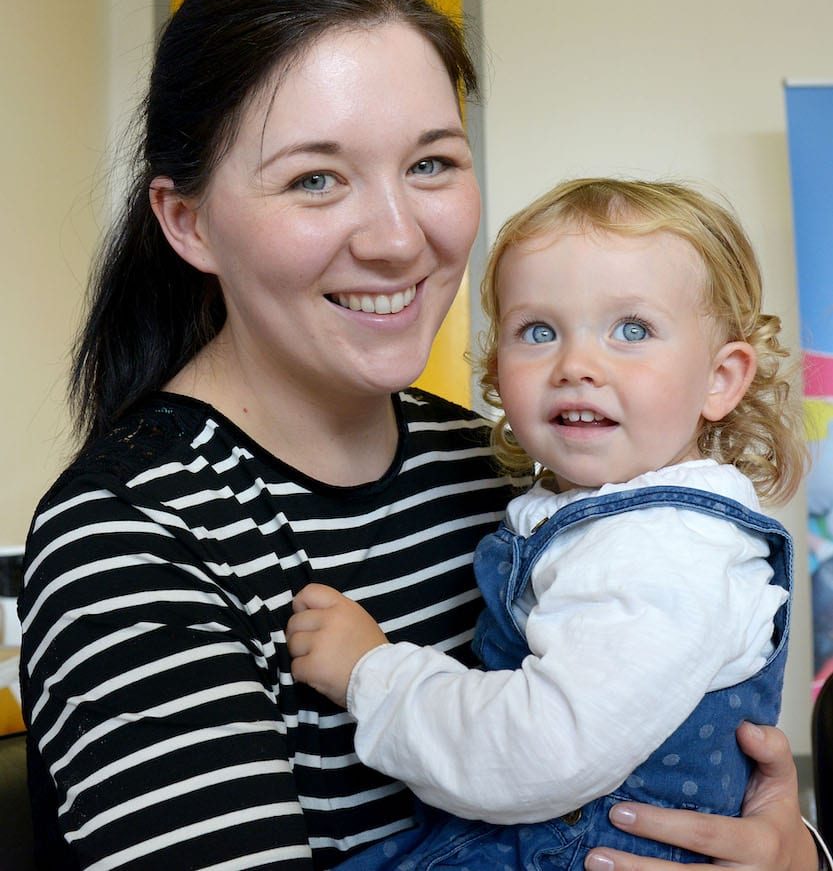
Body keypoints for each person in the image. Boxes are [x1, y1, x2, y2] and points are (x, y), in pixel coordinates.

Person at [17, 0, 822, 871]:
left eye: (432, 163)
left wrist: (792, 853)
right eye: (315, 178)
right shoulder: (134, 534)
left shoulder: (516, 466)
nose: (400, 239)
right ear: (187, 221)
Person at [288, 177, 811, 868]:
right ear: (497, 372)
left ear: (720, 378)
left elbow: (542, 748)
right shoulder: (583, 515)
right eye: (538, 330)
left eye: (632, 329)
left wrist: (371, 672)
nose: (576, 365)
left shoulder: (668, 547)